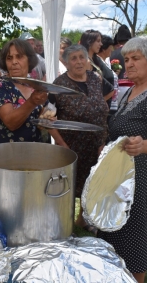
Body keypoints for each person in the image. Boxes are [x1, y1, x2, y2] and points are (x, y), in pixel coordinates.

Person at [97, 36, 147, 283]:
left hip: (141, 175)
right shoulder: (131, 89)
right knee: (114, 223)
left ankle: (134, 278)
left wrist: (143, 145)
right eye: (127, 59)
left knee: (135, 229)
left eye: (135, 59)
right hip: (121, 173)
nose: (128, 64)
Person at [48, 44, 108, 231]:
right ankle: (65, 222)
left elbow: (105, 100)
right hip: (72, 145)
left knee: (93, 181)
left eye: (82, 57)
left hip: (97, 142)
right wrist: (62, 144)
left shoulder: (95, 78)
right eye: (73, 58)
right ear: (65, 62)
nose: (79, 61)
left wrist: (103, 140)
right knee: (70, 185)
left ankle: (83, 219)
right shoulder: (58, 85)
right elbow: (48, 120)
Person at [0, 38, 48, 144]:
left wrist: (46, 118)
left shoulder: (35, 86)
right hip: (8, 154)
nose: (14, 62)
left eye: (19, 57)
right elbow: (11, 123)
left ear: (29, 60)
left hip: (35, 152)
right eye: (9, 58)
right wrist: (32, 102)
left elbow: (43, 113)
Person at [79, 29, 114, 107]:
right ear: (89, 42)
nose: (101, 44)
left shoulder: (94, 59)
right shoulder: (86, 62)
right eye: (98, 41)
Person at [98, 34, 119, 120]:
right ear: (104, 48)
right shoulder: (98, 63)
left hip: (112, 104)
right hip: (106, 105)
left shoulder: (105, 62)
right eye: (110, 47)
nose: (112, 50)